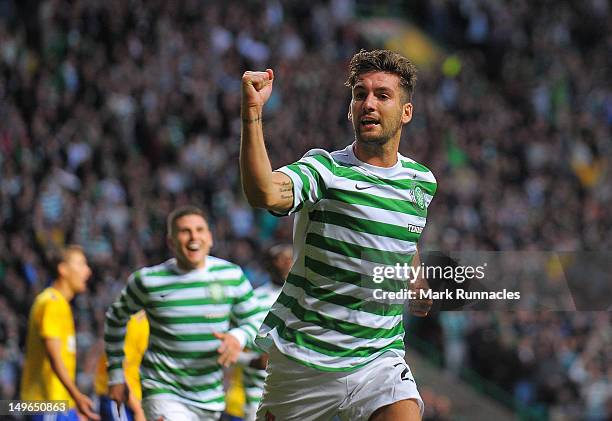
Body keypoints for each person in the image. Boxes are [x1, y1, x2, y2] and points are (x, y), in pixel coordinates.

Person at [240, 49, 436, 421]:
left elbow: (405, 237)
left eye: (382, 95)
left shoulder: (422, 182)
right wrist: (252, 114)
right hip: (305, 359)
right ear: (350, 109)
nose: (368, 104)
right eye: (360, 94)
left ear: (406, 112)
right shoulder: (326, 170)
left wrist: (416, 278)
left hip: (379, 357)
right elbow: (263, 192)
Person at [104, 205, 262, 421]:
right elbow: (115, 319)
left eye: (199, 230)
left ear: (210, 238)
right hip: (163, 391)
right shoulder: (148, 280)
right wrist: (115, 375)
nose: (193, 237)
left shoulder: (231, 275)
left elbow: (258, 322)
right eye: (185, 231)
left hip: (210, 398)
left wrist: (239, 336)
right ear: (171, 242)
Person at [20, 245, 100, 421]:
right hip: (47, 403)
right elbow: (54, 359)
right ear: (63, 269)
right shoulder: (52, 303)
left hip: (57, 404)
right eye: (81, 264)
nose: (87, 271)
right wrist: (77, 397)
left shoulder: (60, 304)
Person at [240, 244, 293, 421]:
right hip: (259, 395)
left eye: (291, 258)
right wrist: (253, 361)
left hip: (297, 393)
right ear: (269, 265)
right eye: (281, 258)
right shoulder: (254, 301)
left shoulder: (307, 300)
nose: (287, 263)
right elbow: (234, 348)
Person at [94, 310, 148, 421]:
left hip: (138, 400)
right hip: (121, 401)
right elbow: (118, 370)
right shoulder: (134, 324)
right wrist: (138, 410)